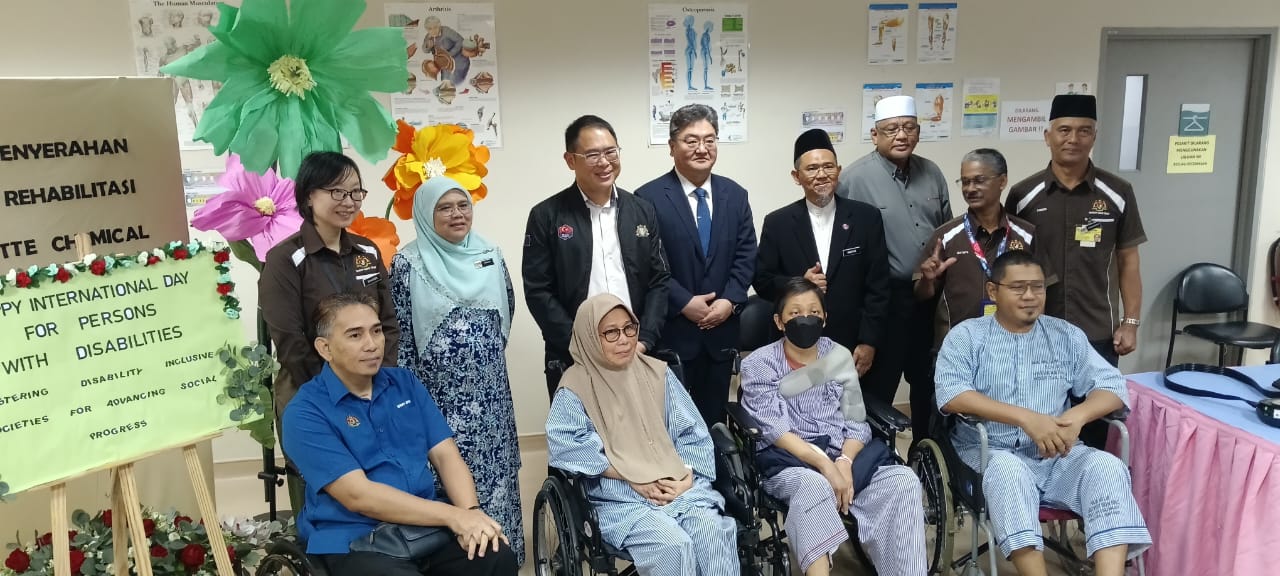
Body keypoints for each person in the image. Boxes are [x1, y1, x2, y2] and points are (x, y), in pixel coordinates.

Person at [934, 250, 1151, 576]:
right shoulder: (967, 336)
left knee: (1107, 468)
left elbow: (1112, 387)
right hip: (990, 452)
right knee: (1008, 471)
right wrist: (1026, 418)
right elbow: (952, 394)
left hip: (1058, 454)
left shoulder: (1065, 335)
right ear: (993, 291)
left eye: (1037, 287)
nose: (1030, 296)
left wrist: (1077, 417)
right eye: (1018, 287)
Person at [281, 292, 517, 576]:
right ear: (325, 348)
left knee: (495, 556)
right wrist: (454, 516)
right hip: (355, 537)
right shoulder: (305, 412)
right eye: (355, 335)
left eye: (376, 331)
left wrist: (471, 512)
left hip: (423, 525)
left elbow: (446, 456)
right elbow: (358, 496)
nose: (372, 344)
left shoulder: (405, 383)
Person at [740, 278, 926, 576]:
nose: (805, 319)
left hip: (843, 456)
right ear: (779, 321)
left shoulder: (838, 356)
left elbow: (856, 422)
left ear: (825, 318)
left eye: (814, 312)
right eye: (795, 313)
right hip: (790, 461)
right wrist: (826, 466)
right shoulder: (759, 364)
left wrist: (845, 461)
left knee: (902, 481)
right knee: (814, 486)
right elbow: (775, 430)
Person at [546, 294, 738, 576]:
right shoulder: (574, 388)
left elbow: (691, 432)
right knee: (673, 546)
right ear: (589, 337)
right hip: (618, 494)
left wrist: (686, 477)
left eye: (629, 328)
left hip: (673, 481)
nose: (624, 339)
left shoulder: (657, 373)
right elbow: (569, 447)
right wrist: (631, 476)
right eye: (611, 332)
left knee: (712, 533)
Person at [389, 176, 524, 565]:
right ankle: (459, 560)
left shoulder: (490, 254)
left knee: (497, 475)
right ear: (425, 215)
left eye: (463, 205)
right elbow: (401, 333)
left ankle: (503, 557)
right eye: (444, 208)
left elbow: (507, 307)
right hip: (438, 399)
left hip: (491, 395)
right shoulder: (408, 264)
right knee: (447, 475)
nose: (457, 214)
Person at [523, 115, 670, 396]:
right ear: (570, 160)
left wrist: (644, 340)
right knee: (581, 425)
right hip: (574, 358)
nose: (604, 162)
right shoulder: (546, 215)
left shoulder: (642, 210)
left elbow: (659, 280)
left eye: (611, 152)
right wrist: (580, 345)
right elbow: (538, 291)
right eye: (592, 155)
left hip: (636, 352)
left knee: (642, 422)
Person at [261, 151, 400, 434]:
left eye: (355, 192)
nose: (349, 202)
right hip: (310, 391)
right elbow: (290, 342)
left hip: (372, 390)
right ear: (309, 196)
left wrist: (379, 381)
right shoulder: (284, 259)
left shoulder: (367, 251)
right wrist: (339, 392)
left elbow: (387, 322)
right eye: (337, 192)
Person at [636, 104, 757, 427]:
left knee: (714, 421)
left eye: (709, 139)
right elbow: (647, 263)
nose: (702, 148)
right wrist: (684, 302)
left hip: (721, 333)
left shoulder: (736, 195)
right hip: (671, 332)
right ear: (672, 146)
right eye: (691, 140)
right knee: (668, 422)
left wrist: (729, 301)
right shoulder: (647, 198)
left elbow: (746, 255)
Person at [1005, 94, 1146, 368]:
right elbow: (1009, 263)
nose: (1073, 139)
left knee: (1097, 398)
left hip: (1097, 332)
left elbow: (1129, 260)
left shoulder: (1118, 192)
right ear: (1048, 137)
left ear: (1094, 137)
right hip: (1036, 330)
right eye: (1064, 130)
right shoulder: (1023, 196)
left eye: (1084, 131)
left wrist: (1130, 323)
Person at [912, 148, 1042, 442]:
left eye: (979, 180)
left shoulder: (1026, 234)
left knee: (1005, 423)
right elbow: (922, 295)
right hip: (957, 352)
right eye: (965, 181)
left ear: (1002, 181)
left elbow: (1042, 290)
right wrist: (928, 280)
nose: (970, 188)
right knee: (950, 428)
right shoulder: (945, 235)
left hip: (1014, 349)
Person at [837, 95, 952, 407]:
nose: (901, 135)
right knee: (878, 386)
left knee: (929, 383)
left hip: (928, 297)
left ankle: (923, 439)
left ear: (918, 132)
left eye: (909, 127)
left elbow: (946, 230)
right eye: (891, 129)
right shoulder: (854, 179)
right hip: (883, 301)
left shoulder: (932, 173)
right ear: (875, 135)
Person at [755, 128, 890, 378]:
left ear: (839, 170)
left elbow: (879, 286)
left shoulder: (866, 218)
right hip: (795, 344)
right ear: (796, 176)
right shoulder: (778, 222)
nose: (821, 175)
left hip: (852, 344)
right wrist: (798, 283)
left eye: (828, 167)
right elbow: (762, 280)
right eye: (812, 168)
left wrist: (869, 341)